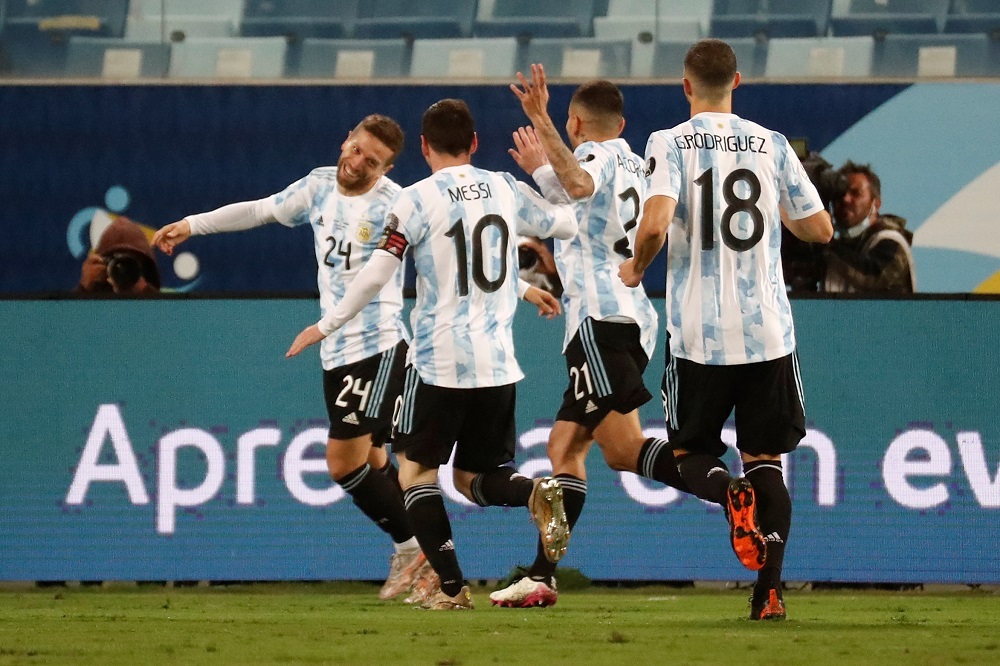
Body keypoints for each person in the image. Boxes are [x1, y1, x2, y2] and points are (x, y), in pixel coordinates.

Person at [285, 98, 578, 610]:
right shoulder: (505, 188)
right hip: (498, 363)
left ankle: (450, 588)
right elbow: (567, 224)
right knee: (474, 478)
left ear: (422, 147)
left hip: (438, 361)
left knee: (416, 475)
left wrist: (325, 323)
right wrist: (544, 178)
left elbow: (378, 272)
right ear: (476, 144)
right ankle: (532, 491)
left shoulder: (416, 200)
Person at [151, 114, 435, 602]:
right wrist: (192, 225)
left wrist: (517, 288)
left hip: (379, 344)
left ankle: (415, 552)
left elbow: (440, 258)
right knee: (372, 459)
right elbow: (260, 210)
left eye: (373, 160)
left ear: (386, 167)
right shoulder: (319, 186)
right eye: (357, 149)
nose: (358, 162)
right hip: (337, 350)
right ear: (346, 138)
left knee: (342, 464)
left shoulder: (397, 205)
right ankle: (427, 559)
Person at [618, 39, 833, 621]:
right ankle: (769, 591)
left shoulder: (667, 143)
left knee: (689, 451)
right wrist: (778, 210)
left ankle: (725, 492)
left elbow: (657, 222)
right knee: (766, 460)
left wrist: (636, 267)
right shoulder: (771, 143)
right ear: (737, 81)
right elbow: (820, 230)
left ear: (686, 87)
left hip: (699, 335)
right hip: (767, 332)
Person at [488, 67, 691, 609]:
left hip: (600, 321)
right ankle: (541, 576)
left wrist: (538, 120)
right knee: (565, 446)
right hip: (630, 316)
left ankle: (724, 488)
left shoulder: (596, 157)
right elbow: (583, 205)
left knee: (623, 449)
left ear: (576, 123)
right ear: (621, 123)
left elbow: (578, 184)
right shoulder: (639, 166)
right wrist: (543, 171)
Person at [823, 160, 916, 293]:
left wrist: (826, 244)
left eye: (855, 193)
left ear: (876, 204)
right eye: (839, 194)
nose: (845, 199)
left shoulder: (891, 241)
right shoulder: (841, 247)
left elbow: (873, 279)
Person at [75, 217, 161, 295]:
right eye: (115, 260)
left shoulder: (161, 307)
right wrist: (85, 287)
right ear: (102, 264)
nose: (123, 270)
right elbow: (71, 312)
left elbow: (162, 311)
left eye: (131, 264)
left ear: (145, 269)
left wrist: (146, 293)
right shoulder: (89, 305)